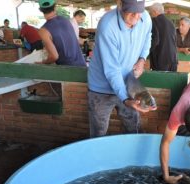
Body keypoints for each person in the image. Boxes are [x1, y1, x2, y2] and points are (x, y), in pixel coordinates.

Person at [87, 0, 155, 137]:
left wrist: (142, 58)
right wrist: (125, 99)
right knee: (98, 133)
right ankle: (96, 156)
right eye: (132, 11)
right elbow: (112, 70)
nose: (137, 16)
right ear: (120, 4)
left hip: (127, 83)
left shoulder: (145, 17)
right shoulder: (107, 26)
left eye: (139, 10)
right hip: (101, 89)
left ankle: (132, 157)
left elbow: (148, 36)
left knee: (133, 127)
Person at [37, 0, 86, 66]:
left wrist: (43, 62)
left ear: (40, 10)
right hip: (82, 64)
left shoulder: (43, 30)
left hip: (67, 70)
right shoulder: (66, 20)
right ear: (55, 7)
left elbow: (54, 56)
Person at [148, 2, 178, 71]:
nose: (151, 15)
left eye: (151, 13)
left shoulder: (154, 21)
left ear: (155, 12)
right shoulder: (171, 23)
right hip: (173, 60)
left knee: (159, 81)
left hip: (161, 60)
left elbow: (155, 41)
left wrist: (145, 52)